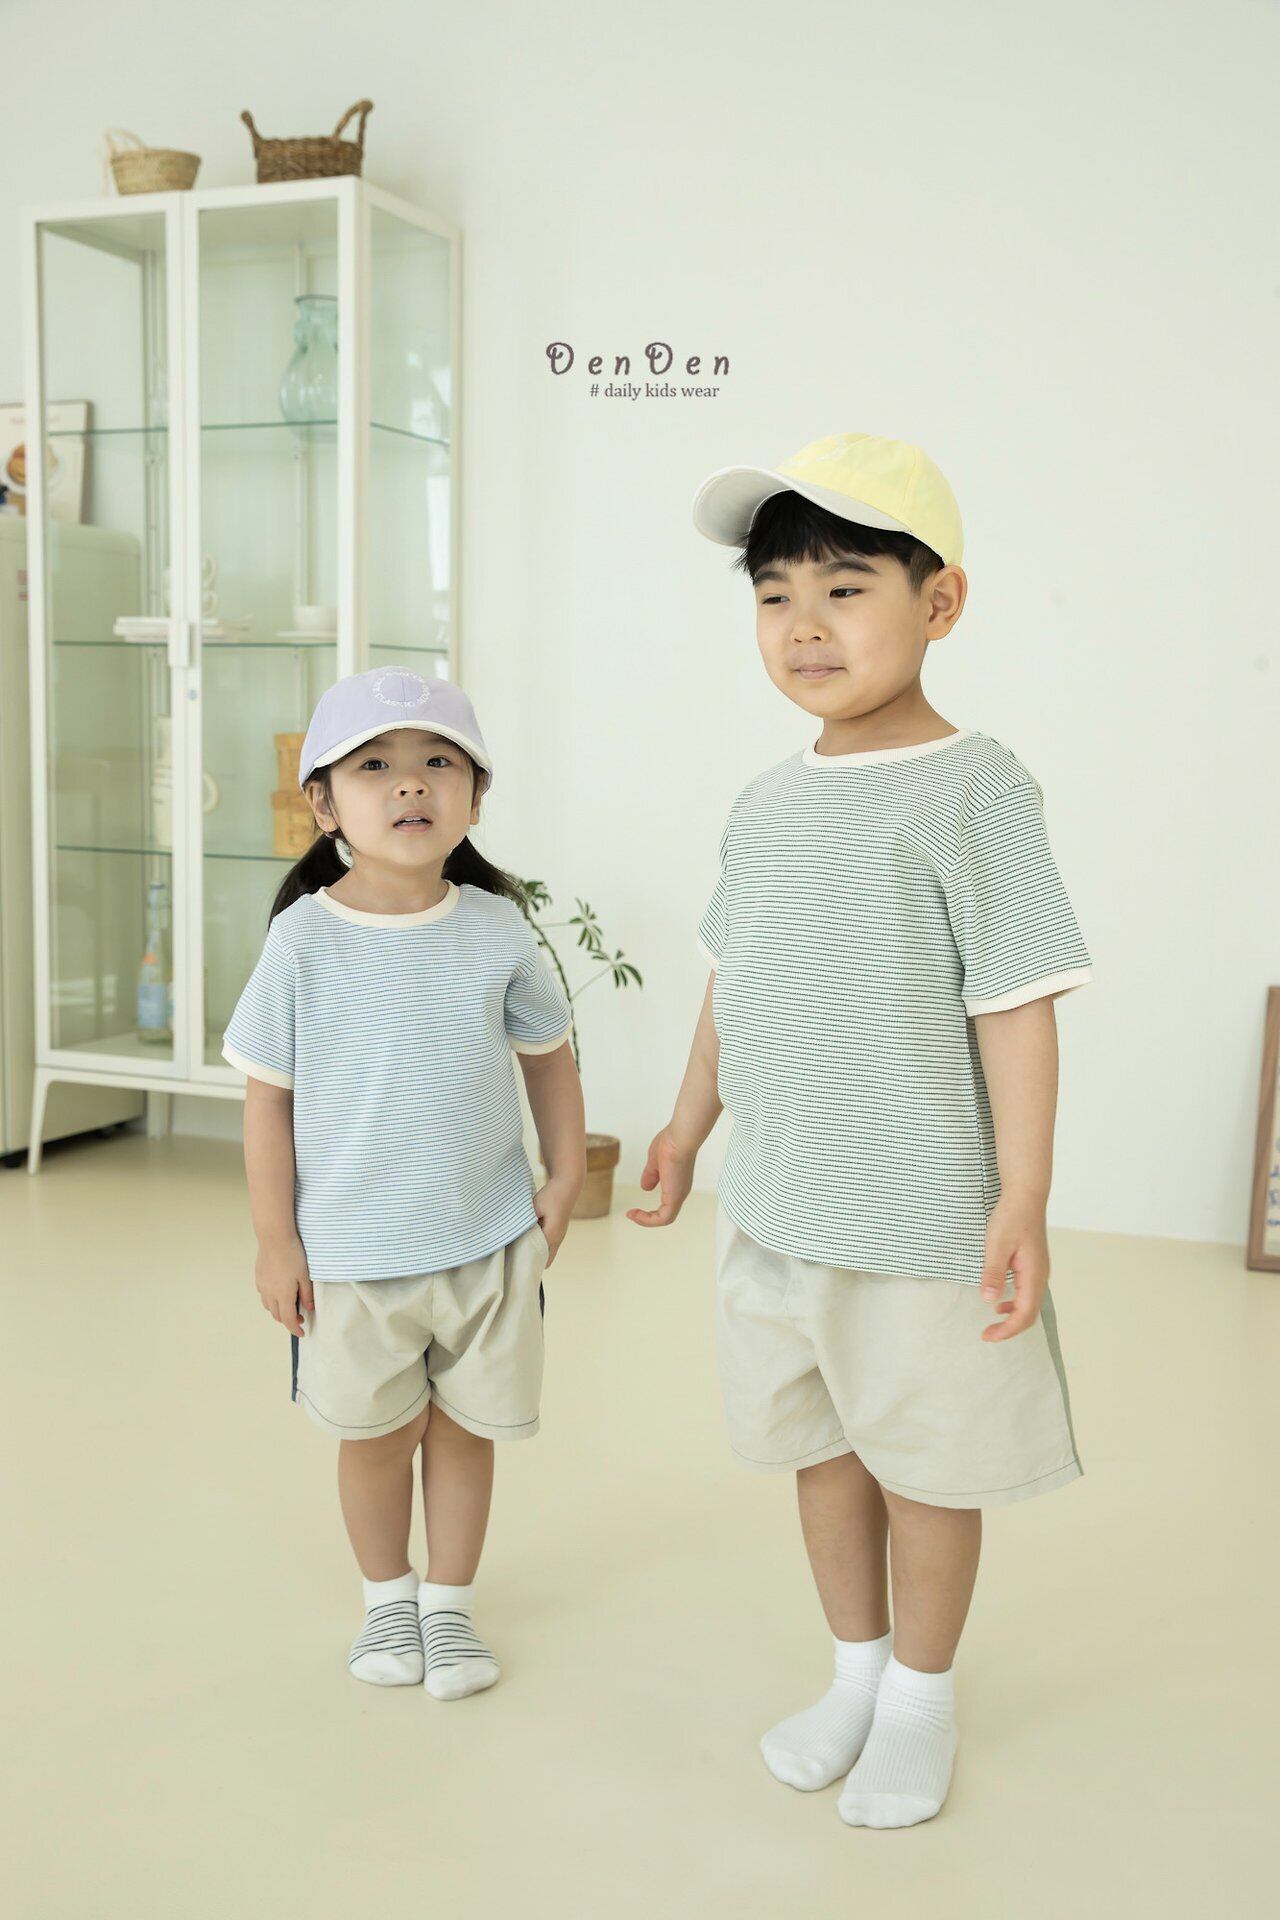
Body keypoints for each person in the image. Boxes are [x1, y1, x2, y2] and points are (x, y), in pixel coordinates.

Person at [629, 432, 1093, 1828]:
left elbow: (1014, 1002)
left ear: (938, 603)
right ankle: (856, 1673)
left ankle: (921, 1702)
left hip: (919, 1220)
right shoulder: (765, 802)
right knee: (820, 1452)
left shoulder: (973, 786)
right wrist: (685, 1128)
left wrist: (1023, 1196)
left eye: (843, 588)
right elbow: (733, 980)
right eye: (774, 595)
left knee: (927, 1466)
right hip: (779, 1206)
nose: (804, 625)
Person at [223, 666, 586, 1700]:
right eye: (375, 766)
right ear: (324, 803)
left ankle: (449, 1608)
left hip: (487, 1243)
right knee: (378, 1439)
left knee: (468, 1434)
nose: (411, 784)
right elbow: (266, 1101)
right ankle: (388, 1598)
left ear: (476, 795)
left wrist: (563, 1178)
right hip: (351, 1258)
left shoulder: (496, 926)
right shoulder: (302, 941)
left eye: (438, 762)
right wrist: (276, 1241)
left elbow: (549, 1058)